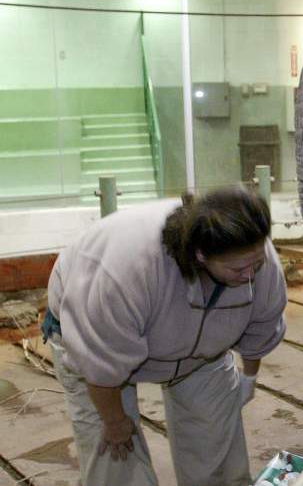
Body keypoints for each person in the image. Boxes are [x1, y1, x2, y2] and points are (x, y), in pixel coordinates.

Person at [44, 186, 288, 486]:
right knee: (115, 456)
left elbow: (262, 324)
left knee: (215, 440)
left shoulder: (250, 249)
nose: (250, 275)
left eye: (257, 264)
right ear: (201, 255)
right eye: (238, 268)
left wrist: (248, 379)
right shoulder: (125, 273)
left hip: (202, 352)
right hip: (98, 348)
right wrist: (115, 420)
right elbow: (100, 364)